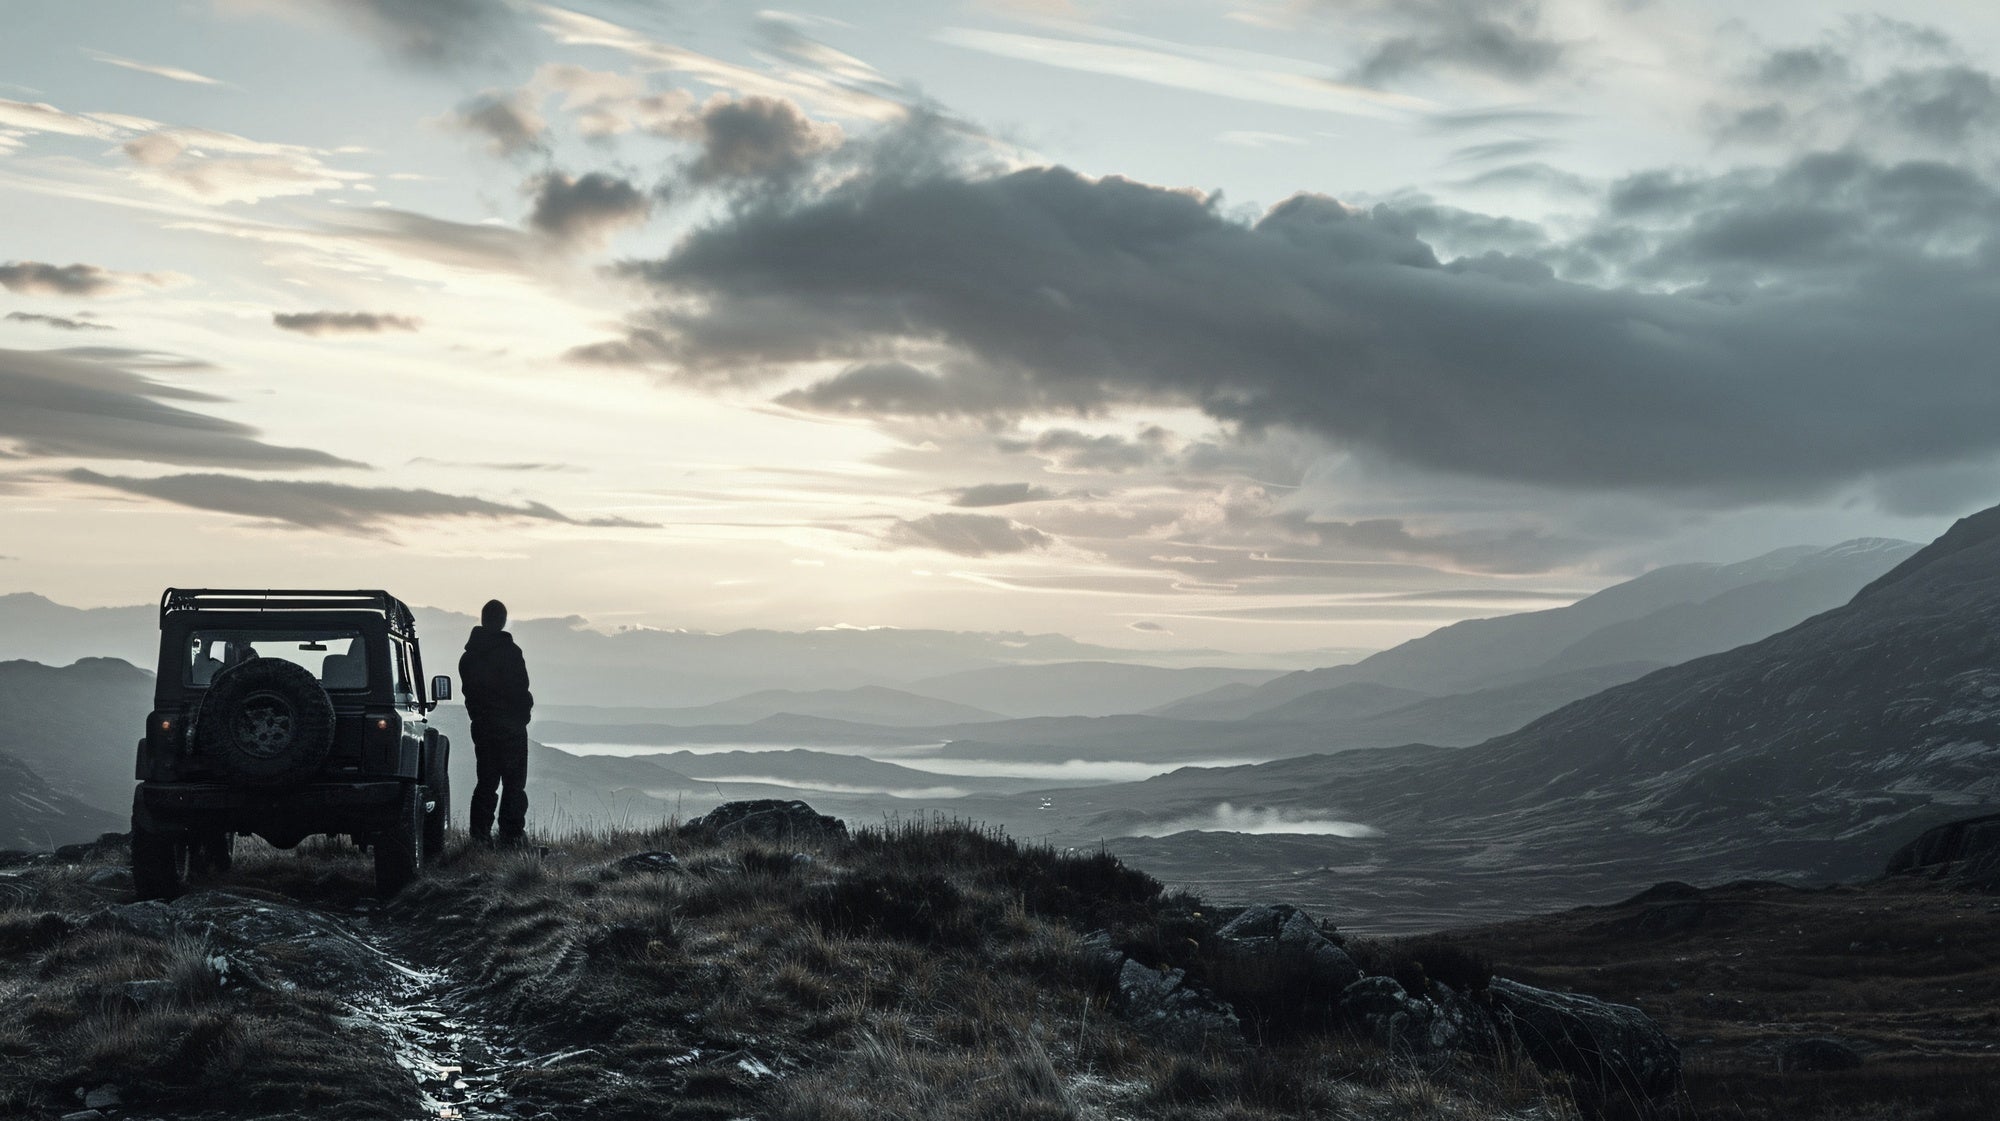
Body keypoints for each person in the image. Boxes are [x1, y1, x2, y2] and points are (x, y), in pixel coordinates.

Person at [459, 599, 534, 846]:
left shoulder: (468, 658)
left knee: (487, 782)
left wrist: (479, 718)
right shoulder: (511, 653)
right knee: (513, 783)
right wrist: (522, 716)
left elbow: (470, 695)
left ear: (483, 620)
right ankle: (510, 836)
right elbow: (520, 691)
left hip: (483, 727)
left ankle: (479, 837)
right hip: (511, 727)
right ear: (502, 621)